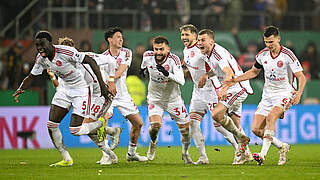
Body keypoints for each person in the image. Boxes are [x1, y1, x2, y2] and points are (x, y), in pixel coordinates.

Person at [13, 31, 111, 166]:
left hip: (81, 90)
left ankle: (99, 124)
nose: (39, 48)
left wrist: (103, 87)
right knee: (51, 125)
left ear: (50, 43)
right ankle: (66, 159)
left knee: (75, 130)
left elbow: (91, 61)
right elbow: (32, 75)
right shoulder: (41, 58)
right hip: (64, 90)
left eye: (42, 44)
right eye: (37, 45)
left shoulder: (66, 52)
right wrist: (21, 88)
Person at [227, 26, 306, 165]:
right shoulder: (262, 55)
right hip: (267, 95)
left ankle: (262, 155)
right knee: (256, 129)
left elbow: (301, 76)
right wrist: (235, 79)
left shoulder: (288, 55)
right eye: (266, 42)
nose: (268, 45)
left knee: (271, 117)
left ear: (278, 39)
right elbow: (253, 72)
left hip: (285, 92)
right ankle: (282, 146)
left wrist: (299, 93)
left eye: (271, 42)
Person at [49, 37, 119, 165]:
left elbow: (111, 60)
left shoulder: (86, 57)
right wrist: (53, 77)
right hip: (88, 97)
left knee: (85, 125)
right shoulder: (63, 65)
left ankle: (108, 154)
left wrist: (111, 81)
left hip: (101, 95)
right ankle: (111, 142)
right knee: (84, 128)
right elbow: (61, 88)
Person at [180, 24, 241, 164]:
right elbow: (188, 67)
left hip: (212, 89)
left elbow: (216, 67)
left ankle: (239, 148)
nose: (184, 37)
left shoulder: (202, 49)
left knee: (219, 125)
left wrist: (206, 75)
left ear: (194, 36)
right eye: (182, 35)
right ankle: (203, 157)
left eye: (187, 34)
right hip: (198, 91)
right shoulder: (186, 50)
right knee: (194, 122)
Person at [197, 29, 253, 160]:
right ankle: (246, 155)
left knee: (216, 114)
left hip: (238, 88)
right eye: (199, 40)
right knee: (235, 123)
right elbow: (216, 69)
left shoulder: (217, 53)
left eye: (202, 40)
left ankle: (240, 139)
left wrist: (224, 88)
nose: (199, 43)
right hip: (234, 87)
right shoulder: (207, 53)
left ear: (211, 42)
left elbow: (229, 73)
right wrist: (206, 75)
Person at [141, 36, 193, 164]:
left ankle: (185, 153)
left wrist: (167, 74)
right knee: (155, 126)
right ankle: (153, 143)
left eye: (161, 49)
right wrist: (143, 71)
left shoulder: (173, 60)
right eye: (156, 49)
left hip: (173, 100)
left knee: (185, 131)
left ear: (168, 49)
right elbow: (143, 66)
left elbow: (181, 81)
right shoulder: (147, 56)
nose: (158, 52)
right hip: (155, 99)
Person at [99, 27, 148, 162]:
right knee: (104, 120)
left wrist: (111, 79)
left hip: (123, 95)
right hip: (108, 95)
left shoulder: (127, 52)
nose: (121, 39)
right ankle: (106, 155)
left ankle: (131, 154)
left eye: (121, 37)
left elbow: (121, 70)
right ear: (110, 40)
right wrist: (108, 82)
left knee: (138, 123)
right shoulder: (103, 57)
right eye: (118, 37)